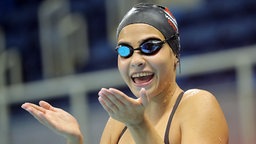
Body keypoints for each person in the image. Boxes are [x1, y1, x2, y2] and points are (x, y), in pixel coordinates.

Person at [21, 3, 229, 144]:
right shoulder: (118, 123)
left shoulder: (198, 105)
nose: (136, 61)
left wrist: (138, 124)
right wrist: (75, 139)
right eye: (125, 51)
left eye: (150, 47)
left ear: (175, 53)